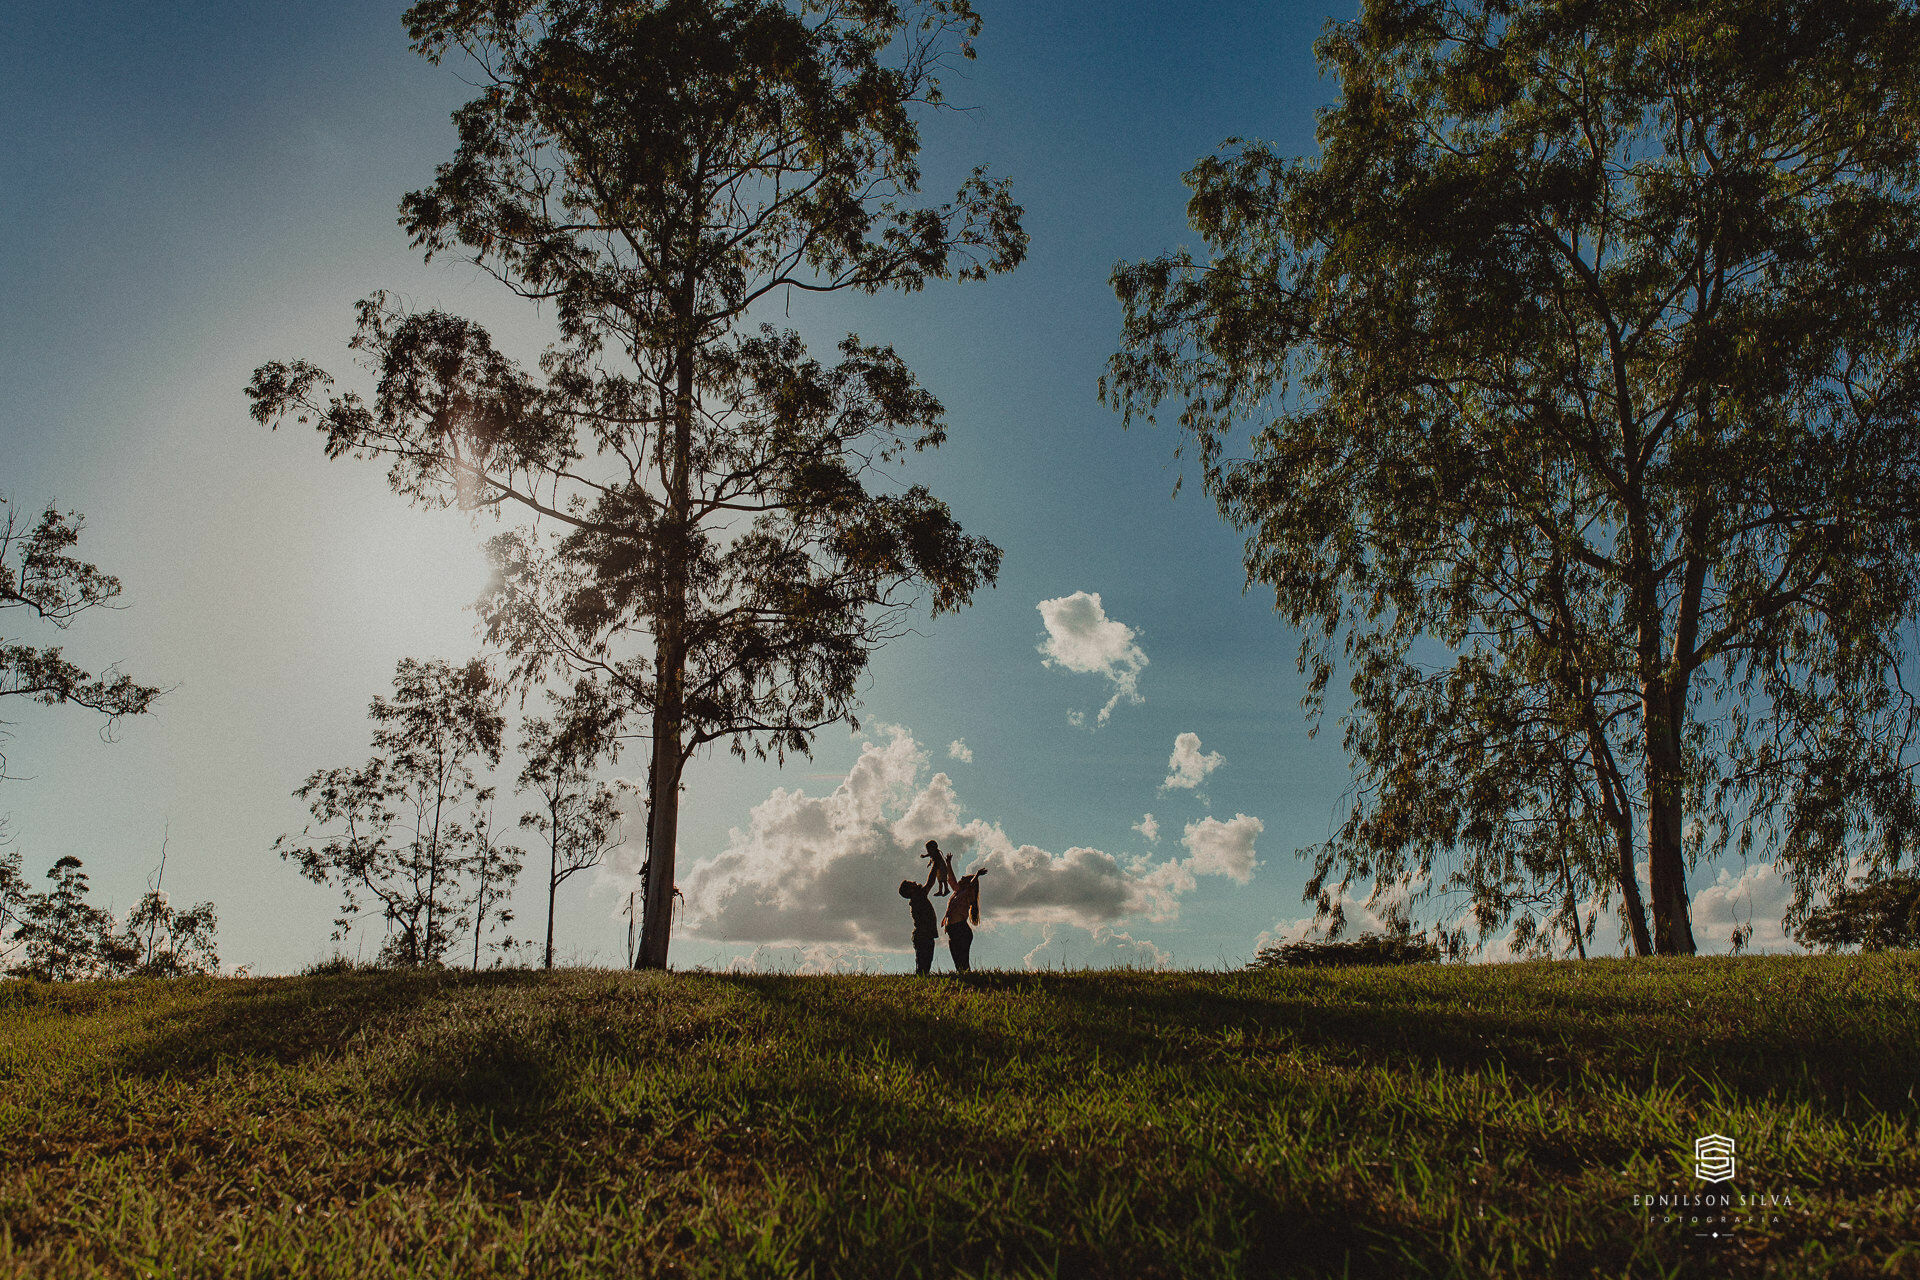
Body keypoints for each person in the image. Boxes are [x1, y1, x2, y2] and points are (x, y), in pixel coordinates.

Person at [943, 867, 985, 973]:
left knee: (962, 960)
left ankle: (969, 981)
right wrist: (948, 862)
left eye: (964, 878)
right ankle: (965, 979)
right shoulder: (957, 892)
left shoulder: (967, 894)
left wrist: (977, 875)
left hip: (960, 930)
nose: (961, 877)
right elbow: (951, 879)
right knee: (957, 960)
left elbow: (971, 886)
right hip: (953, 931)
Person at [898, 879, 937, 975]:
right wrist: (936, 865)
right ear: (910, 890)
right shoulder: (918, 897)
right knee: (924, 964)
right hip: (924, 935)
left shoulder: (917, 897)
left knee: (924, 963)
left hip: (924, 935)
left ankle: (922, 980)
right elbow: (930, 882)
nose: (914, 882)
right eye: (911, 884)